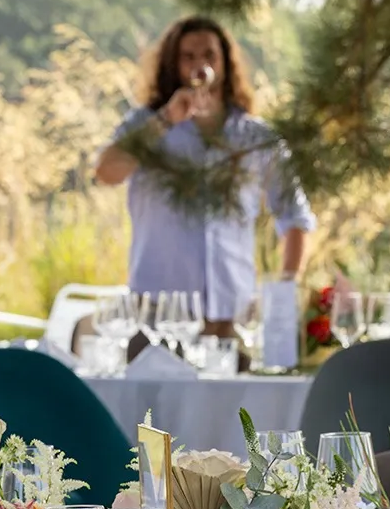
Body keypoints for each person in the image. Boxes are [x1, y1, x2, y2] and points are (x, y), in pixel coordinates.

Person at [93, 17, 314, 336]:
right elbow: (106, 171)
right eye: (189, 56)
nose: (200, 65)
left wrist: (285, 289)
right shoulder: (146, 124)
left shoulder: (255, 137)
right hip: (158, 312)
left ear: (225, 62)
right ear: (173, 63)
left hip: (233, 313)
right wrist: (166, 119)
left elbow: (295, 216)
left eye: (209, 55)